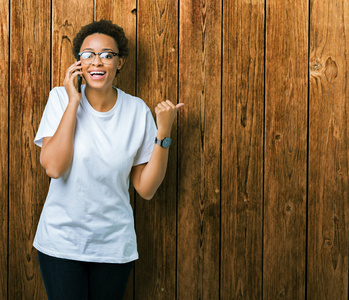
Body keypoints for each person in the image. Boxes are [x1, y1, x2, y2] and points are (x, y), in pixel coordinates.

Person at [34, 19, 184, 300]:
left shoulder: (137, 111)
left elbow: (146, 189)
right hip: (61, 242)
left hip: (113, 245)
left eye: (107, 55)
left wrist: (163, 132)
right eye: (88, 54)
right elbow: (54, 168)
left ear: (120, 62)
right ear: (78, 62)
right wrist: (73, 102)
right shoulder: (59, 99)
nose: (97, 62)